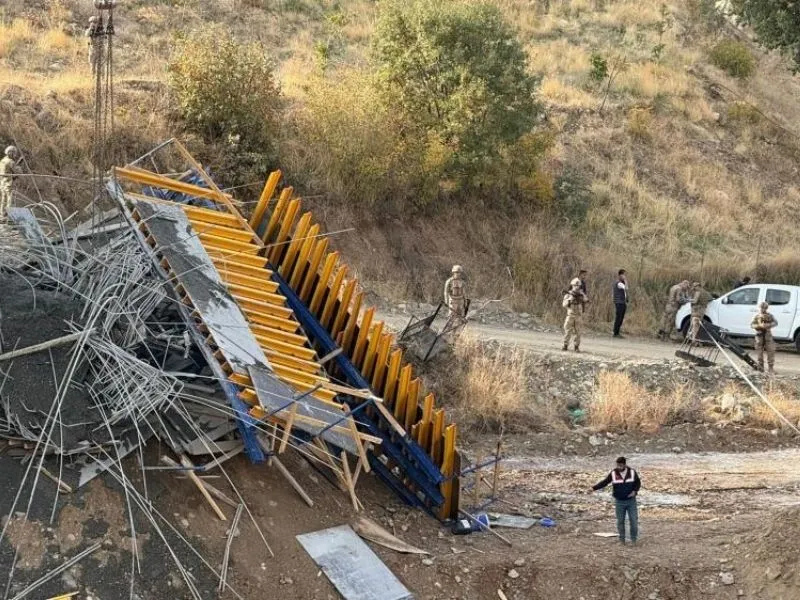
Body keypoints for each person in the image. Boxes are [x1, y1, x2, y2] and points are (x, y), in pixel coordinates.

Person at [591, 456, 641, 545]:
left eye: (621, 465)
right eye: (618, 465)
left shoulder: (632, 472)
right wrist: (594, 488)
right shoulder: (614, 473)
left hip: (631, 501)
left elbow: (638, 483)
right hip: (619, 502)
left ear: (625, 465)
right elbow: (605, 482)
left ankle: (633, 540)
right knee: (620, 521)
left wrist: (635, 491)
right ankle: (622, 540)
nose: (619, 467)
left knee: (633, 521)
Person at [751, 301, 777, 374]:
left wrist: (768, 325)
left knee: (770, 350)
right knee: (759, 351)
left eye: (765, 308)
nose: (763, 309)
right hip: (759, 335)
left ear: (767, 308)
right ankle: (760, 367)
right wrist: (758, 326)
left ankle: (770, 368)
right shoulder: (756, 316)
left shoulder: (770, 315)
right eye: (762, 308)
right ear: (759, 308)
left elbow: (775, 322)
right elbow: (752, 325)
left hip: (768, 335)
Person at [562, 280, 584, 352]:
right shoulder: (568, 295)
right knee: (567, 331)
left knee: (578, 332)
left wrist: (581, 297)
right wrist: (569, 300)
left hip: (578, 316)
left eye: (578, 286)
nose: (577, 287)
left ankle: (576, 346)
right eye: (575, 285)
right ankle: (565, 345)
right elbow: (564, 305)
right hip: (570, 315)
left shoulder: (581, 294)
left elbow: (586, 300)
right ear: (572, 285)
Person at [0, 146, 21, 218]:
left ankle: (2, 214)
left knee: (3, 199)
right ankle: (9, 216)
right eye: (14, 153)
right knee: (9, 200)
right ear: (10, 153)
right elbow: (17, 172)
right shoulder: (10, 162)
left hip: (2, 182)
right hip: (8, 183)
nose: (14, 155)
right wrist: (19, 167)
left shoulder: (3, 160)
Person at [612, 269, 628, 338]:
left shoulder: (621, 283)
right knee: (618, 318)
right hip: (619, 302)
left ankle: (617, 332)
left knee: (621, 318)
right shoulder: (619, 283)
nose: (624, 276)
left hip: (622, 302)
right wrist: (625, 281)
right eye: (623, 274)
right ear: (620, 275)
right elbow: (626, 288)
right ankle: (616, 333)